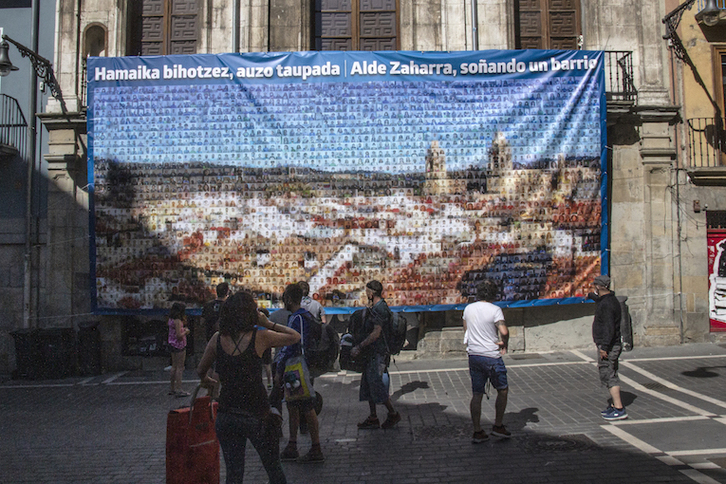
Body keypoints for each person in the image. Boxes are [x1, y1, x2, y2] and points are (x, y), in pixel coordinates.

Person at [197, 292, 300, 484]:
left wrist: (207, 381)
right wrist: (268, 323)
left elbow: (201, 369)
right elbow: (294, 336)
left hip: (227, 413)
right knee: (274, 470)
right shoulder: (260, 336)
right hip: (257, 413)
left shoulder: (217, 339)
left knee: (234, 474)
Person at [276, 284, 325, 463]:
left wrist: (280, 367)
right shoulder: (305, 315)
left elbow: (293, 345)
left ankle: (313, 447)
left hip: (295, 366)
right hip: (300, 366)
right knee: (295, 405)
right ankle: (294, 444)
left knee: (304, 405)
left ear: (289, 299)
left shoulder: (297, 318)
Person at [462, 280, 511, 442]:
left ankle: (477, 430)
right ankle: (498, 425)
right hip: (491, 355)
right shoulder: (495, 310)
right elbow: (504, 330)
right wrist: (504, 342)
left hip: (474, 354)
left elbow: (466, 329)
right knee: (502, 389)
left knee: (477, 393)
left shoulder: (468, 309)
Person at [350, 280, 401, 430]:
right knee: (368, 384)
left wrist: (359, 346)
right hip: (371, 353)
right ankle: (373, 417)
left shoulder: (380, 309)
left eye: (367, 292)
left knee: (376, 384)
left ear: (371, 293)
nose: (366, 294)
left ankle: (393, 413)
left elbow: (376, 333)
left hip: (377, 353)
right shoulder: (376, 307)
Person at [588, 274, 627, 421]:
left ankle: (619, 408)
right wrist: (592, 296)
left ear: (599, 286)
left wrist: (604, 347)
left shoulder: (608, 305)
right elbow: (601, 300)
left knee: (610, 374)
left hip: (609, 345)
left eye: (594, 286)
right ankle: (614, 405)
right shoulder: (609, 299)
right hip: (610, 344)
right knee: (608, 372)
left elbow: (610, 328)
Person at [168, 302, 190, 397]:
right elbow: (178, 335)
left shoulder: (171, 319)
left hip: (171, 343)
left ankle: (172, 388)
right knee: (180, 367)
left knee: (174, 366)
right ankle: (179, 388)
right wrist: (185, 331)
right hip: (179, 345)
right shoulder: (177, 321)